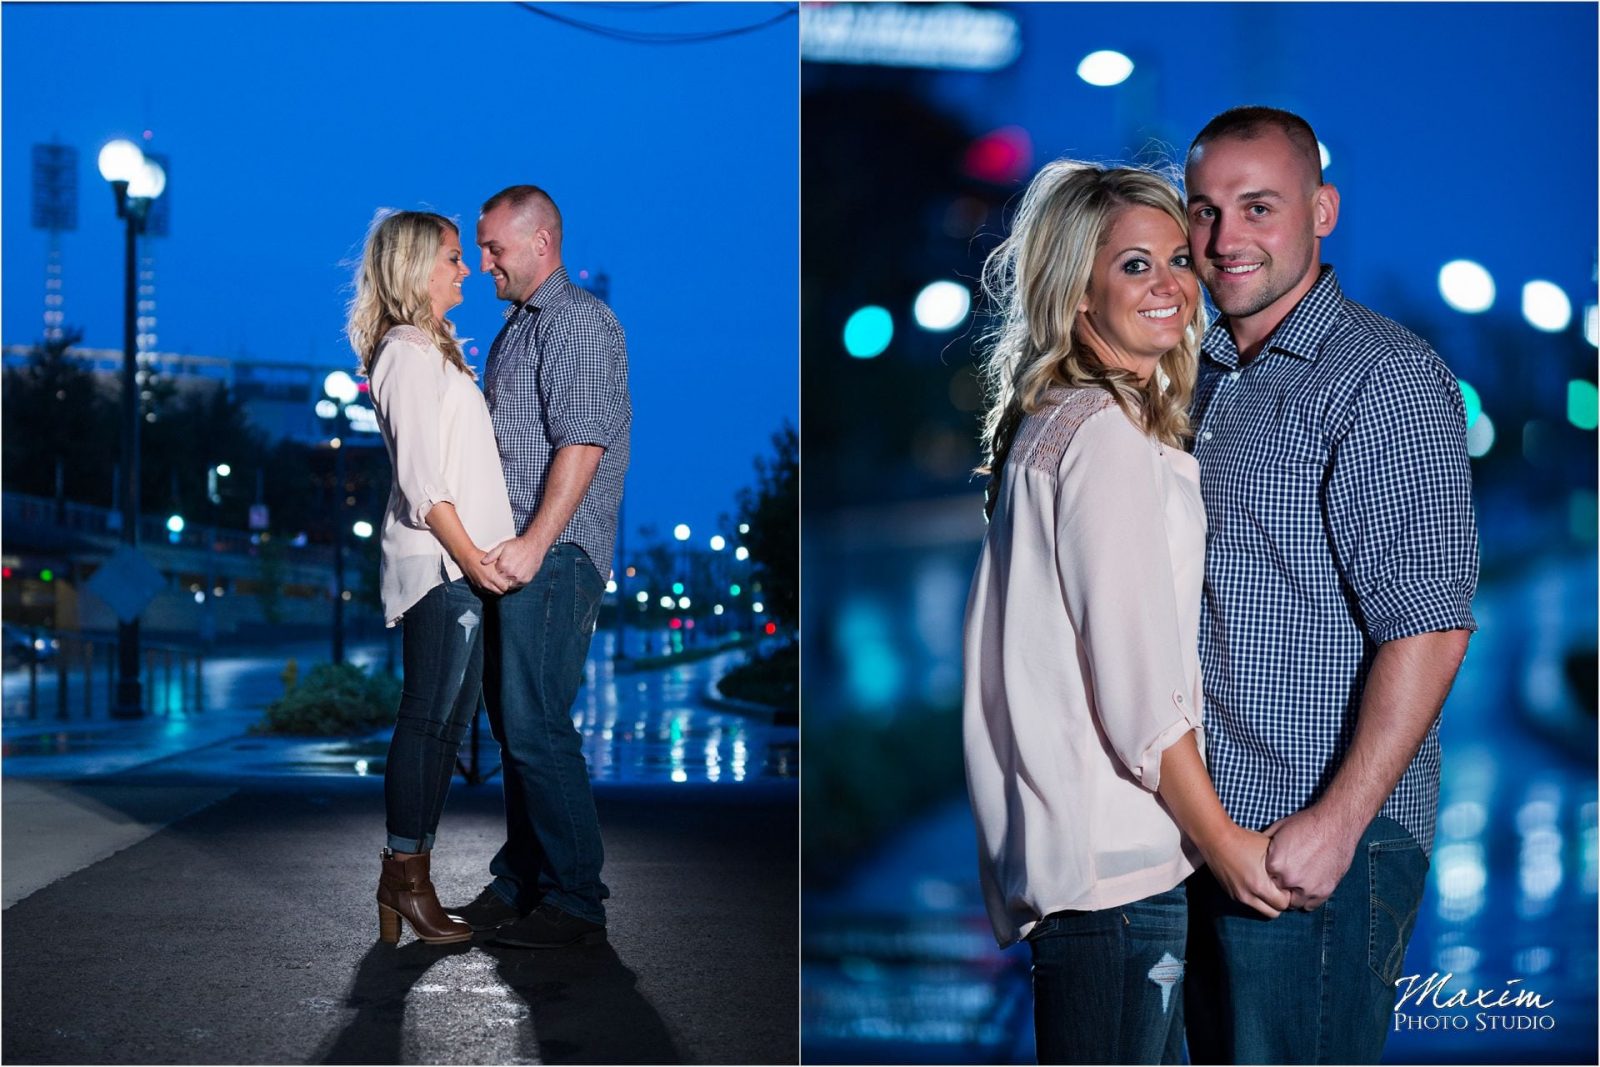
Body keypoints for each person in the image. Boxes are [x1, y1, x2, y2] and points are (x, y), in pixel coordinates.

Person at [962, 162, 1291, 1065]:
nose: (1173, 284)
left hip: (1084, 870)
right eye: (1135, 265)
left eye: (1178, 258)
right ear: (1078, 294)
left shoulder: (1055, 420)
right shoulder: (1103, 435)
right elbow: (1139, 694)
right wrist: (1225, 847)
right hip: (1118, 870)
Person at [1181, 106, 1479, 1064]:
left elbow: (1429, 624)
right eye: (1205, 210)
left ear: (1322, 210)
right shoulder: (1207, 374)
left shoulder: (1380, 377)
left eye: (1258, 206)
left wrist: (1335, 824)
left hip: (1316, 842)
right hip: (1211, 834)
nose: (1226, 239)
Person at [448, 184, 631, 949]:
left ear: (541, 243)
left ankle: (575, 896)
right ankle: (522, 880)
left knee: (536, 724)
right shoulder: (517, 330)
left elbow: (581, 443)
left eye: (493, 246)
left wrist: (532, 542)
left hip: (553, 554)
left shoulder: (579, 321)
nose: (482, 260)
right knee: (514, 723)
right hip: (517, 556)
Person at [347, 209, 516, 945]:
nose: (467, 268)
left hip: (462, 565)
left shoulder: (431, 351)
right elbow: (424, 482)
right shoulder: (408, 353)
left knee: (445, 728)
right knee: (427, 722)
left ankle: (412, 881)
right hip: (444, 564)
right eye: (452, 256)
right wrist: (475, 559)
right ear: (415, 266)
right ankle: (404, 879)